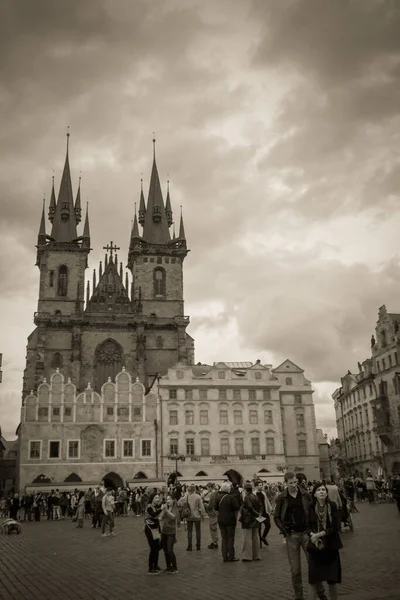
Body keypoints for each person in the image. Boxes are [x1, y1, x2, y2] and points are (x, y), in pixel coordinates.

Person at [274, 472, 328, 600]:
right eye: (290, 483)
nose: (293, 485)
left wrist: (314, 530)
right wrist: (284, 530)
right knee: (295, 570)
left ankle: (321, 593)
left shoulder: (305, 494)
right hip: (292, 535)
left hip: (306, 533)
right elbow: (276, 517)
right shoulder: (282, 497)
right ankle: (299, 597)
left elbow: (313, 510)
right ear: (285, 483)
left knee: (314, 564)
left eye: (294, 482)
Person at [307, 482, 342, 600]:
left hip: (330, 547)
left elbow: (336, 526)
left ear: (327, 493)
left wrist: (319, 534)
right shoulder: (310, 507)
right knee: (313, 580)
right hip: (316, 547)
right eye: (318, 490)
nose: (321, 491)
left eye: (323, 490)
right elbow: (307, 526)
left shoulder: (332, 506)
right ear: (314, 494)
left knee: (332, 581)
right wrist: (312, 534)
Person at [212, 481, 241, 562]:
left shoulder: (217, 496)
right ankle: (231, 556)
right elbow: (236, 507)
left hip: (221, 519)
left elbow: (215, 507)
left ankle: (224, 556)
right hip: (230, 520)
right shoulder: (231, 497)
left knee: (224, 538)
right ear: (228, 489)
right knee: (230, 538)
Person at [240, 482, 262, 562]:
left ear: (245, 490)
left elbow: (250, 508)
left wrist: (257, 514)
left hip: (249, 520)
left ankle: (247, 556)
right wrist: (259, 514)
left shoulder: (247, 497)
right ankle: (256, 555)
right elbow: (260, 506)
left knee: (247, 538)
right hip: (256, 519)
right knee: (256, 538)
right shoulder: (255, 496)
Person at [180, 483, 206, 551]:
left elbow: (179, 503)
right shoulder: (198, 496)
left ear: (189, 490)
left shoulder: (187, 497)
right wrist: (203, 515)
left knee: (190, 531)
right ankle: (198, 546)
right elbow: (202, 507)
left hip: (189, 515)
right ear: (194, 490)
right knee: (198, 531)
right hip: (197, 515)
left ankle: (190, 546)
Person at [160, 494, 181, 573]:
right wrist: (162, 510)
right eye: (167, 499)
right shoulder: (166, 508)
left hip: (171, 532)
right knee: (165, 550)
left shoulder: (175, 508)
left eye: (169, 499)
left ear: (173, 500)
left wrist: (166, 511)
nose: (167, 501)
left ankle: (174, 567)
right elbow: (161, 518)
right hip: (164, 531)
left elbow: (174, 517)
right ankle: (168, 566)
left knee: (170, 550)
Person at [144, 493, 163, 575]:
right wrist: (161, 509)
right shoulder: (149, 507)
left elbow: (157, 518)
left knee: (157, 547)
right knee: (153, 548)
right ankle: (150, 568)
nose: (157, 499)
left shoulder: (155, 506)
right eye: (156, 497)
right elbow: (153, 515)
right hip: (149, 529)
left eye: (158, 497)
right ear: (152, 498)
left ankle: (155, 565)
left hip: (155, 529)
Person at [255, 480, 273, 546]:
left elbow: (267, 501)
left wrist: (270, 508)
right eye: (260, 485)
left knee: (268, 525)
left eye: (261, 485)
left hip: (265, 512)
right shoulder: (254, 494)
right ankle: (259, 541)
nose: (261, 486)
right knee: (259, 527)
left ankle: (263, 537)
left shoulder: (263, 493)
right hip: (259, 513)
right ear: (256, 486)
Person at [202, 483, 219, 549]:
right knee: (214, 527)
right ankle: (215, 541)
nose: (207, 489)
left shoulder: (212, 494)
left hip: (213, 513)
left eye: (207, 488)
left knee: (213, 528)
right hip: (216, 512)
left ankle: (215, 542)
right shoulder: (216, 493)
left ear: (209, 487)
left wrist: (204, 504)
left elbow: (210, 506)